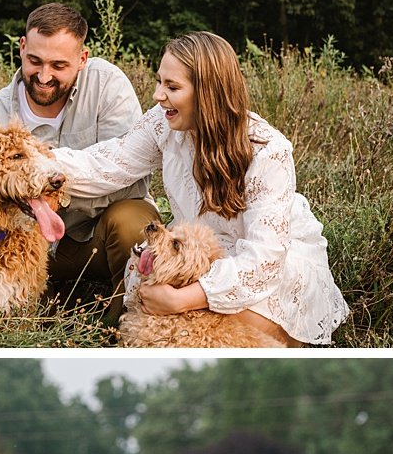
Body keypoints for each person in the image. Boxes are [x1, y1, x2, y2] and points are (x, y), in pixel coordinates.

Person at [50, 31, 350, 345]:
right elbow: (109, 164)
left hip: (265, 266)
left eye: (172, 87)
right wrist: (38, 165)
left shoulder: (266, 150)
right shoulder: (163, 122)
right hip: (193, 253)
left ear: (207, 93)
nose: (158, 95)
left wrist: (182, 300)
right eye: (159, 81)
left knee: (217, 321)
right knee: (157, 304)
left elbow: (264, 261)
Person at [0, 2, 159, 318]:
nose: (43, 76)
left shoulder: (107, 85)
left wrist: (50, 181)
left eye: (58, 65)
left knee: (134, 225)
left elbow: (128, 172)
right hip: (19, 244)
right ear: (22, 47)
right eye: (35, 61)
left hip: (92, 235)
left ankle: (118, 325)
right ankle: (30, 306)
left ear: (82, 59)